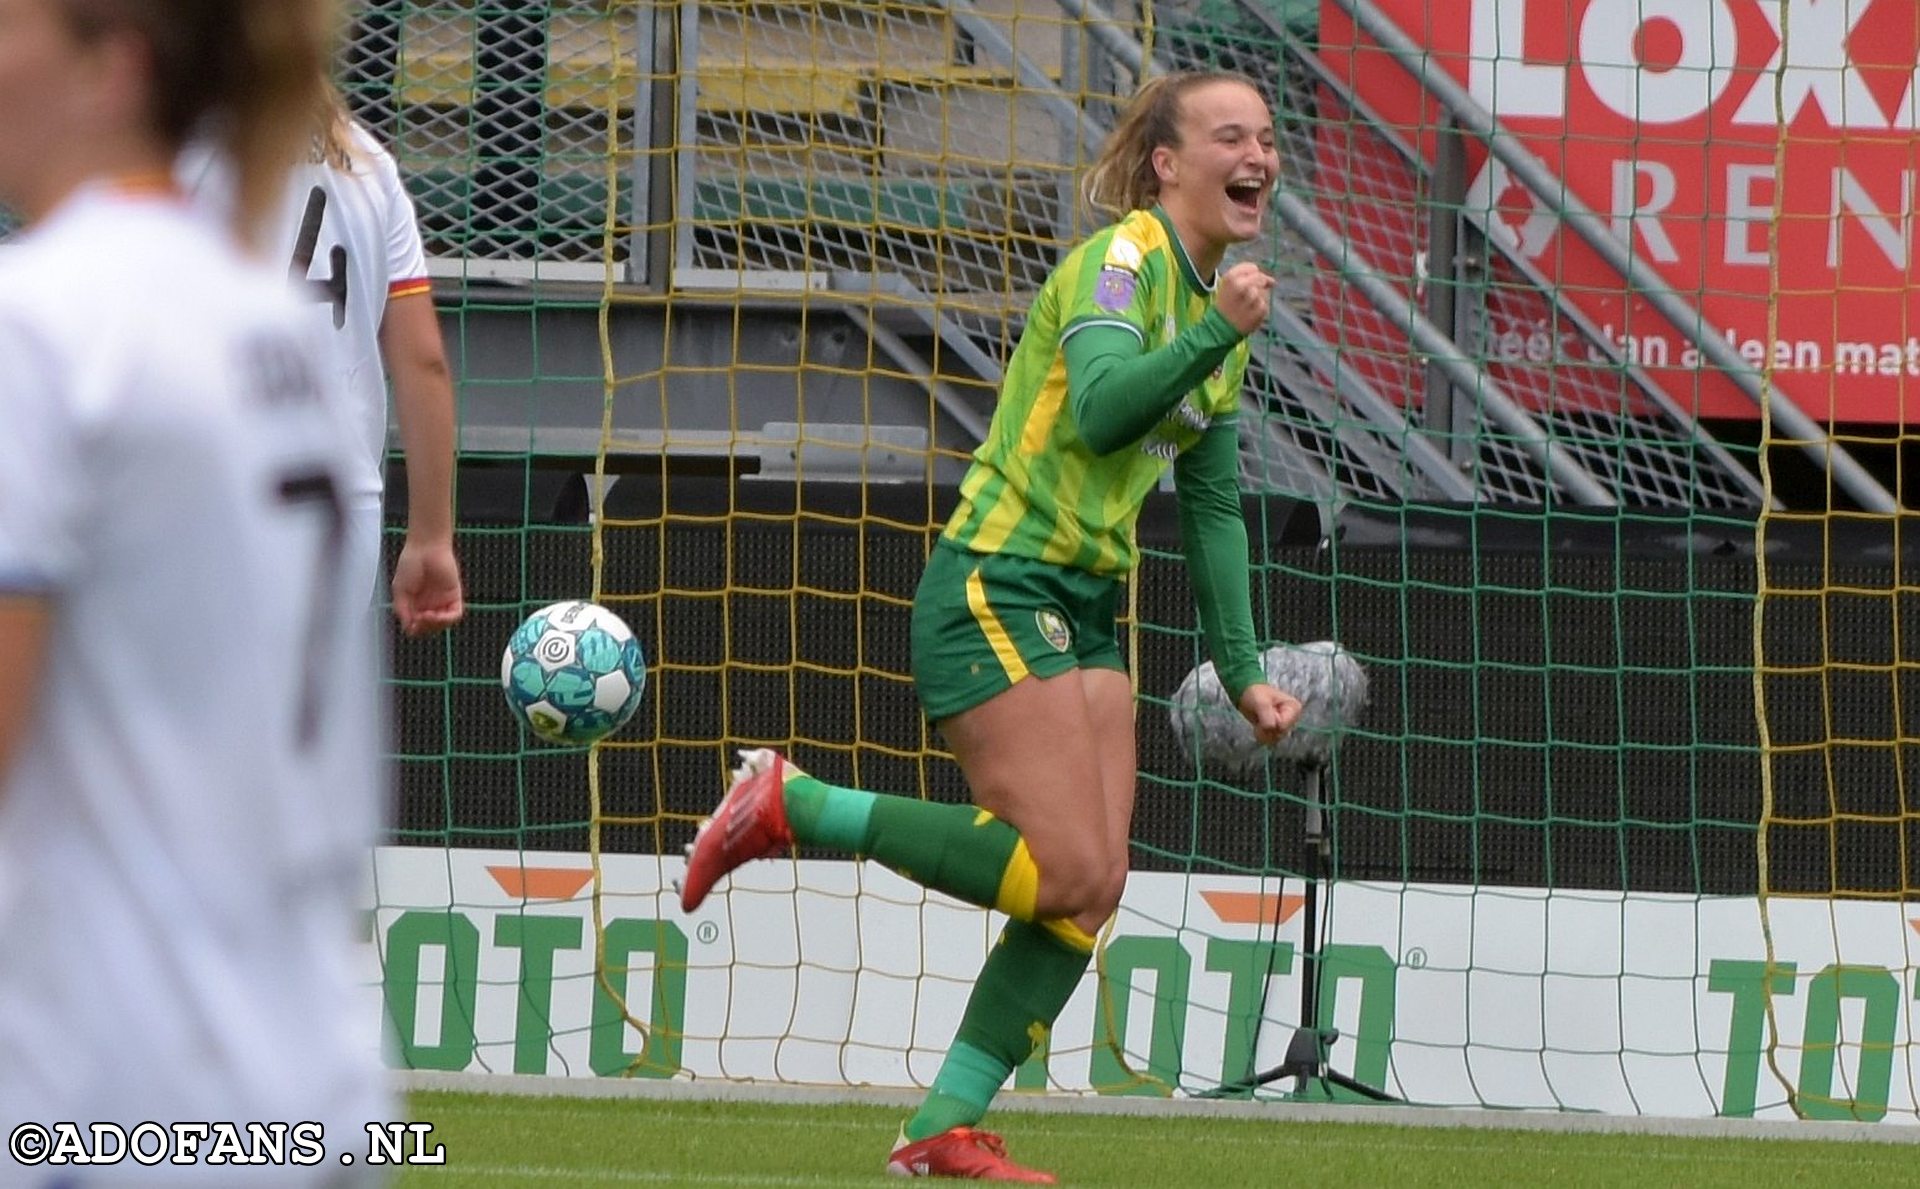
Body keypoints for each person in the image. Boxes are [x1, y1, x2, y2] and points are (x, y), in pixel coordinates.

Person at [679, 71, 1302, 1182]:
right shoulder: (1123, 266)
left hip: (1088, 602)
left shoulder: (1221, 311)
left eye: (1267, 135)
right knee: (1064, 865)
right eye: (1230, 135)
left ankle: (941, 1124)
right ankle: (795, 801)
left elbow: (1210, 505)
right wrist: (1215, 329)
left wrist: (1242, 668)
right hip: (998, 581)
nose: (1258, 154)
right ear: (1168, 163)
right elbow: (1109, 408)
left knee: (1094, 886)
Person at [0, 0, 391, 1176]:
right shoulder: (267, 325)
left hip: (115, 1082)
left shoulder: (50, 322)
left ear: (112, 68)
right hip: (308, 1078)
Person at [181, 80, 465, 638]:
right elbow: (422, 362)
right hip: (340, 505)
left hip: (211, 489)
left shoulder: (181, 152)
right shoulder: (370, 166)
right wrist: (432, 536)